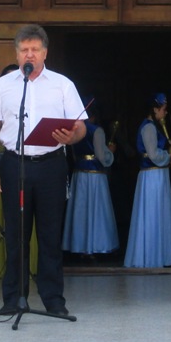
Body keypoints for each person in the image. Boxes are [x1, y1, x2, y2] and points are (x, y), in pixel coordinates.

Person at [0, 24, 86, 317]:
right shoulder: (2, 86)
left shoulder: (62, 84)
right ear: (17, 54)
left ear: (45, 53)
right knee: (16, 235)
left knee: (50, 236)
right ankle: (13, 299)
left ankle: (54, 300)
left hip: (52, 164)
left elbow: (80, 127)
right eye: (24, 50)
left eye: (35, 50)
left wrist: (72, 136)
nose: (30, 55)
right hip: (15, 165)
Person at [123, 93, 171, 268]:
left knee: (158, 214)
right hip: (152, 177)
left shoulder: (154, 126)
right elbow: (154, 154)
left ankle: (160, 255)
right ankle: (150, 257)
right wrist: (169, 157)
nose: (165, 112)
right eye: (163, 109)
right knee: (153, 214)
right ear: (155, 109)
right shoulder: (148, 127)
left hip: (157, 176)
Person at [62, 99, 118, 257]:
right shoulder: (97, 130)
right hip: (95, 177)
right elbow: (101, 156)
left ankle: (80, 246)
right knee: (96, 210)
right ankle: (96, 246)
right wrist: (110, 152)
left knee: (81, 211)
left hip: (79, 175)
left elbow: (73, 154)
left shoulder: (74, 129)